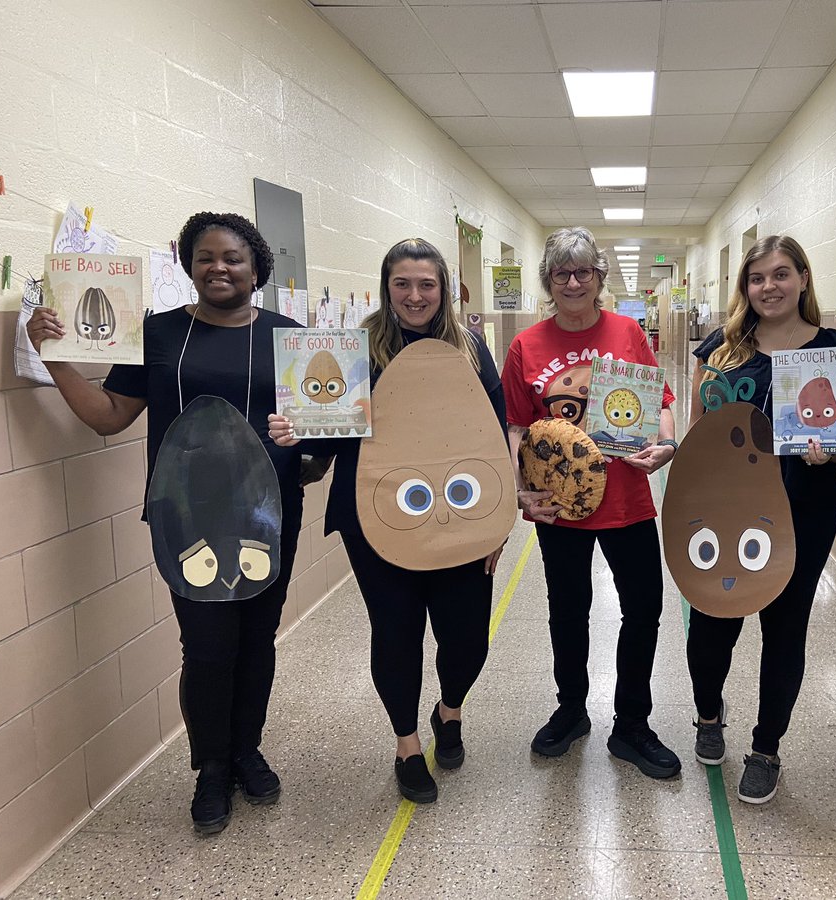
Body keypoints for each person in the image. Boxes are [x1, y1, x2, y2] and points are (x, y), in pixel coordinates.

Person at [27, 211, 304, 835]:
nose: (219, 268)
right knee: (207, 648)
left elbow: (318, 435)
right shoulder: (156, 334)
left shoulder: (290, 336)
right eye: (205, 257)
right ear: (188, 266)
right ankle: (210, 766)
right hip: (186, 521)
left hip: (270, 514)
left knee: (258, 641)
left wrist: (308, 447)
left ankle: (245, 750)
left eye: (232, 257)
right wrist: (56, 361)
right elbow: (108, 415)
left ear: (255, 265)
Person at [269, 238, 507, 804]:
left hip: (463, 513)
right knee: (397, 633)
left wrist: (499, 519)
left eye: (427, 284)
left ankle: (450, 711)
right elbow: (325, 429)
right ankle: (406, 743)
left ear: (444, 288)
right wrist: (302, 435)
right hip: (375, 514)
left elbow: (495, 433)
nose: (415, 295)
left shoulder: (471, 349)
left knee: (467, 637)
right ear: (386, 286)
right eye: (403, 283)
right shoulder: (354, 349)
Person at [685, 235, 836, 804]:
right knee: (712, 624)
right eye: (758, 278)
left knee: (785, 631)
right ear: (746, 287)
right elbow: (697, 431)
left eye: (782, 274)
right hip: (723, 511)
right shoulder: (722, 348)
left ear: (804, 280)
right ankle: (708, 716)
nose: (769, 287)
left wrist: (831, 455)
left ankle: (766, 749)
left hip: (798, 512)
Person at [501, 226, 681, 779]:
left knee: (644, 610)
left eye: (584, 272)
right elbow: (516, 425)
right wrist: (520, 486)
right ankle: (572, 709)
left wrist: (667, 444)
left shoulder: (629, 333)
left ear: (601, 278)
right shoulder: (525, 346)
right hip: (561, 505)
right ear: (548, 282)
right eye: (562, 273)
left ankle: (631, 724)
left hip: (627, 500)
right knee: (567, 611)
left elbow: (662, 404)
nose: (574, 281)